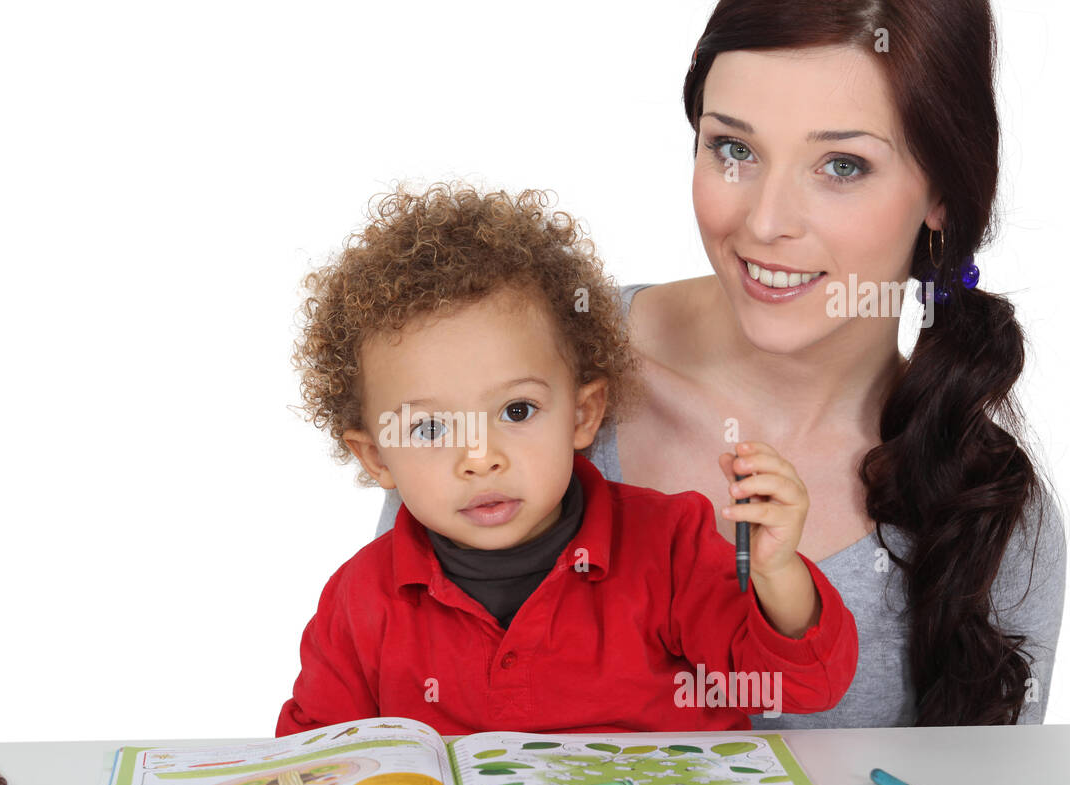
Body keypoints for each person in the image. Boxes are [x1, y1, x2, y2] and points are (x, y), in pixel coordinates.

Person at [374, 0, 1067, 728]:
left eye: (841, 165)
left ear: (943, 192)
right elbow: (395, 741)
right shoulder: (521, 362)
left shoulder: (991, 511)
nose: (766, 222)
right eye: (734, 149)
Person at [276, 183, 858, 737]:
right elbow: (320, 761)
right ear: (375, 457)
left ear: (583, 414)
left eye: (517, 411)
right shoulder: (359, 602)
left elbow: (795, 689)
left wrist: (777, 573)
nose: (480, 459)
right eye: (430, 427)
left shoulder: (671, 546)